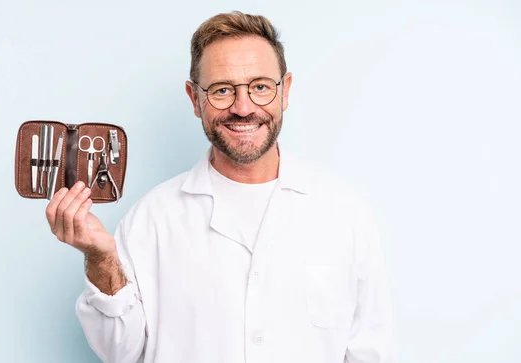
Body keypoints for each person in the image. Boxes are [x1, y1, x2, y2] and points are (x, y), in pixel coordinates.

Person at [45, 11, 396, 363]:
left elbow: (371, 352)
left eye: (260, 86)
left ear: (284, 91)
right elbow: (119, 351)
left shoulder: (343, 213)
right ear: (195, 98)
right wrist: (101, 258)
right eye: (222, 90)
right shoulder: (151, 219)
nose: (243, 108)